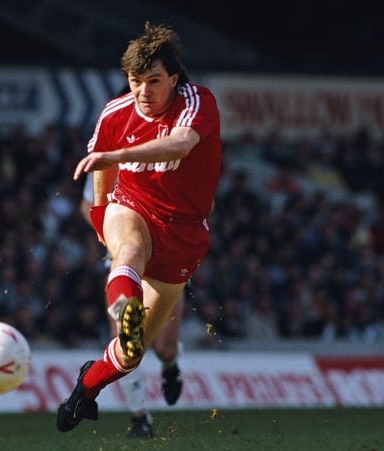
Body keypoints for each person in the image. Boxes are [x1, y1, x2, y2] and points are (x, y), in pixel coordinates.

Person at [57, 22, 221, 432]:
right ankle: (123, 309)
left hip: (183, 235)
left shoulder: (197, 102)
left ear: (174, 80)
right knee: (126, 251)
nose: (143, 91)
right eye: (135, 81)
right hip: (132, 208)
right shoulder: (115, 112)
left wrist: (118, 153)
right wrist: (100, 217)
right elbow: (102, 171)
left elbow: (181, 144)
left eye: (153, 81)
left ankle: (86, 388)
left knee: (135, 353)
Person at [79, 173, 184, 438]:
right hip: (125, 257)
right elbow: (87, 203)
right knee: (125, 340)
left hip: (165, 258)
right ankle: (140, 418)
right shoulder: (107, 156)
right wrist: (111, 230)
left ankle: (170, 366)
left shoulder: (169, 151)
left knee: (164, 347)